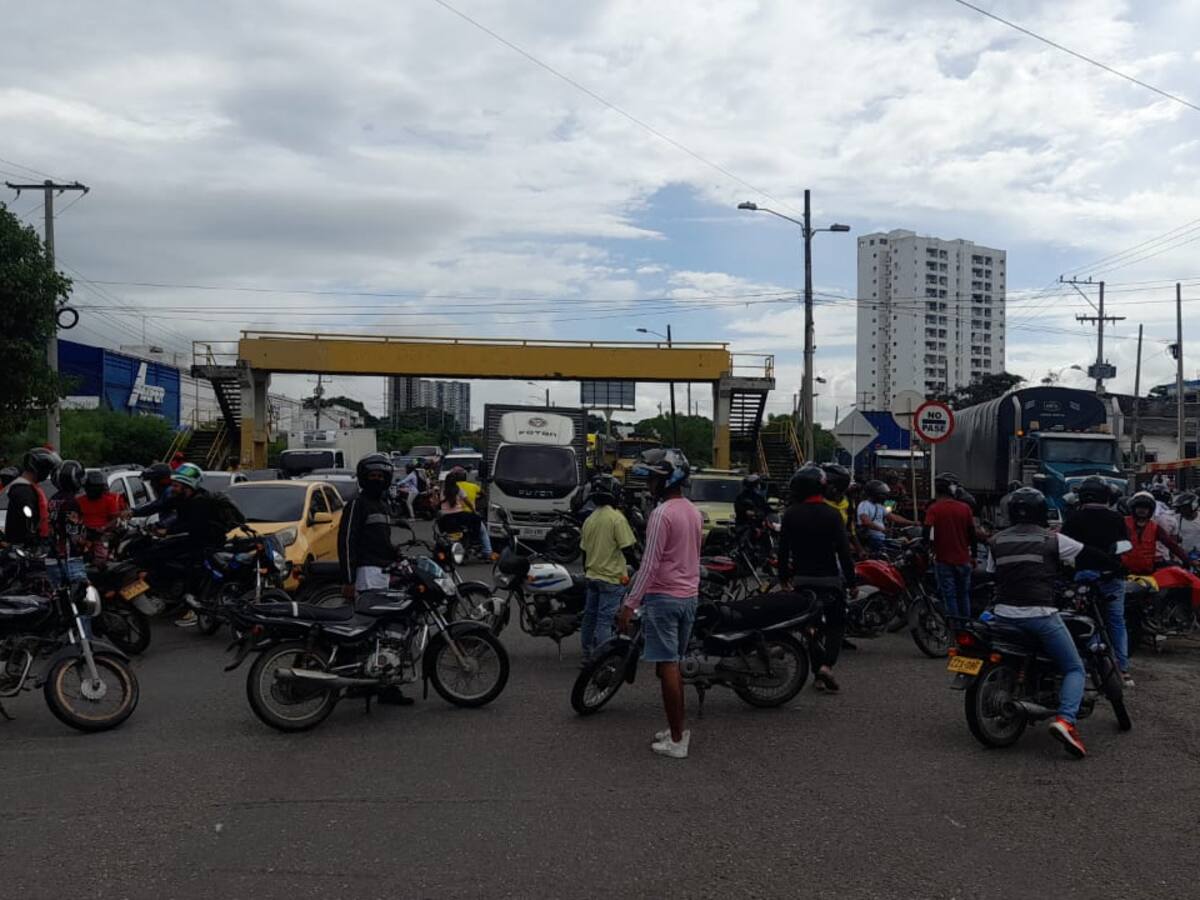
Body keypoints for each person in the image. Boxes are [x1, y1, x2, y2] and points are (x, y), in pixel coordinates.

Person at [988, 487, 1120, 759]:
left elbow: (992, 573)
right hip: (1039, 614)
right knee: (1074, 667)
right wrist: (1115, 565)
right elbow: (1088, 555)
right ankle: (1066, 721)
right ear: (1040, 512)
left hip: (1001, 613)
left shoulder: (996, 540)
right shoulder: (1053, 540)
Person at [616, 449, 702, 760]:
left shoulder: (662, 514)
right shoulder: (693, 511)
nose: (649, 483)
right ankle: (675, 727)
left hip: (664, 598)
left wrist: (629, 603)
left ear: (667, 480)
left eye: (653, 478)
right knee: (674, 664)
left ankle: (678, 739)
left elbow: (649, 564)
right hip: (688, 597)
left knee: (667, 667)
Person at [777, 464, 856, 693]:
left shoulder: (791, 514)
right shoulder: (832, 514)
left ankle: (818, 675)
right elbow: (844, 551)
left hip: (802, 581)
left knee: (809, 628)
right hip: (830, 580)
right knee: (836, 624)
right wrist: (851, 583)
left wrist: (784, 578)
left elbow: (782, 552)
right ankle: (826, 667)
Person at [1062, 475, 1134, 687]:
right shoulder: (1116, 518)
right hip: (1112, 577)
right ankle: (1122, 669)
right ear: (1106, 496)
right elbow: (1125, 545)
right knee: (1116, 621)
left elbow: (1064, 548)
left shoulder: (1074, 518)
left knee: (1081, 621)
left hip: (1083, 578)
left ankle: (1085, 665)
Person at [160, 462, 245, 626]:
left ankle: (195, 610)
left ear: (187, 486)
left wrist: (168, 532)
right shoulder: (184, 499)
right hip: (197, 541)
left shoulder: (200, 502)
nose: (173, 488)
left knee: (195, 575)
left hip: (208, 544)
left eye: (176, 485)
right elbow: (166, 510)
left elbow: (194, 525)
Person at [578, 474, 636, 662]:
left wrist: (587, 572)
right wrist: (639, 566)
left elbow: (584, 552)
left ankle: (587, 655)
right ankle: (604, 658)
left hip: (592, 576)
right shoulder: (616, 518)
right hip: (611, 579)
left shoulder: (590, 519)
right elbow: (628, 548)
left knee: (589, 618)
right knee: (605, 620)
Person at [924, 472, 978, 622]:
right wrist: (973, 555)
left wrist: (928, 550)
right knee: (963, 594)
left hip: (943, 560)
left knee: (950, 596)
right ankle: (966, 627)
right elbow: (972, 534)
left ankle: (955, 629)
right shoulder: (965, 508)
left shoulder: (934, 509)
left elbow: (926, 532)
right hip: (963, 559)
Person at [3, 447, 59, 549]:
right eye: (47, 469)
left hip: (27, 548)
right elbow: (28, 521)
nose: (47, 473)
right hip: (24, 550)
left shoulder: (25, 488)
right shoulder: (23, 491)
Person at [1122, 491, 1187, 576]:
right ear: (1133, 508)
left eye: (1145, 508)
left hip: (1147, 573)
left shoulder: (1155, 527)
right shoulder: (1123, 522)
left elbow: (1171, 544)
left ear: (1150, 510)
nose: (1142, 510)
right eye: (1139, 507)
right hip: (1124, 572)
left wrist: (1186, 560)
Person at [46, 459, 88, 588]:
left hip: (53, 555)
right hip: (70, 558)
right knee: (80, 596)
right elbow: (73, 533)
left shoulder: (53, 499)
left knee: (59, 596)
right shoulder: (72, 502)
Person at [77, 470, 129, 563]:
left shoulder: (109, 500)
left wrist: (103, 528)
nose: (93, 491)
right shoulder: (79, 501)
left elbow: (115, 519)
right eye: (92, 488)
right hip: (84, 535)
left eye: (96, 488)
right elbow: (75, 518)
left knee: (101, 558)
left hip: (102, 535)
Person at [440, 468, 492, 558]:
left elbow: (438, 504)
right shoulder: (464, 488)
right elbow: (469, 500)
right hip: (461, 516)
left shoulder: (443, 491)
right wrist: (474, 510)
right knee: (480, 526)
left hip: (447, 518)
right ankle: (484, 549)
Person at [857, 480, 915, 554]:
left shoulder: (879, 506)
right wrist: (882, 529)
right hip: (872, 540)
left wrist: (912, 522)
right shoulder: (864, 504)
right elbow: (866, 521)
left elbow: (893, 517)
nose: (884, 496)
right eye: (882, 494)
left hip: (881, 538)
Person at [822, 463, 864, 557]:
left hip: (841, 549)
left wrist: (860, 550)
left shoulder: (848, 503)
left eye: (828, 483)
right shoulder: (818, 501)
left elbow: (851, 529)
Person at [1172, 492, 1200, 557]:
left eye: (1185, 507)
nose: (1182, 510)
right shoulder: (1176, 519)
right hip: (1184, 555)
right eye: (1181, 508)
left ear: (1193, 505)